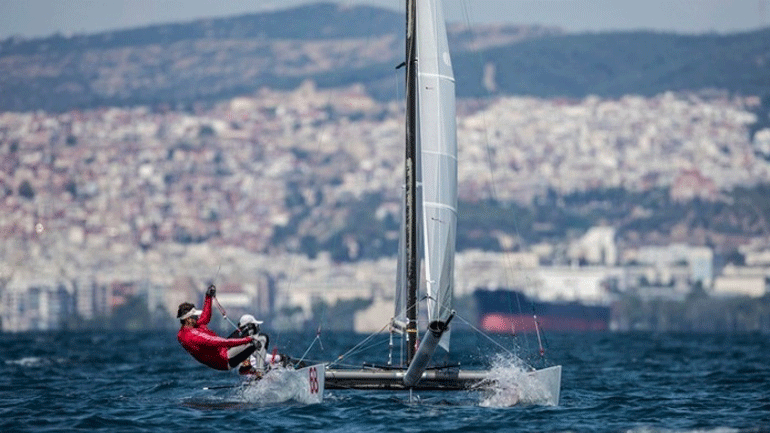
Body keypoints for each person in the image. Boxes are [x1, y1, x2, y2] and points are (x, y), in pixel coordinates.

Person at [176, 284, 260, 371]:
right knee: (257, 341)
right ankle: (253, 370)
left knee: (250, 328)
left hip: (223, 351)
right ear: (188, 319)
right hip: (224, 360)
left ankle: (247, 364)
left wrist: (208, 297)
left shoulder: (189, 327)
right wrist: (247, 340)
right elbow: (221, 342)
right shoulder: (192, 336)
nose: (197, 317)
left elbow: (205, 318)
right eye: (195, 316)